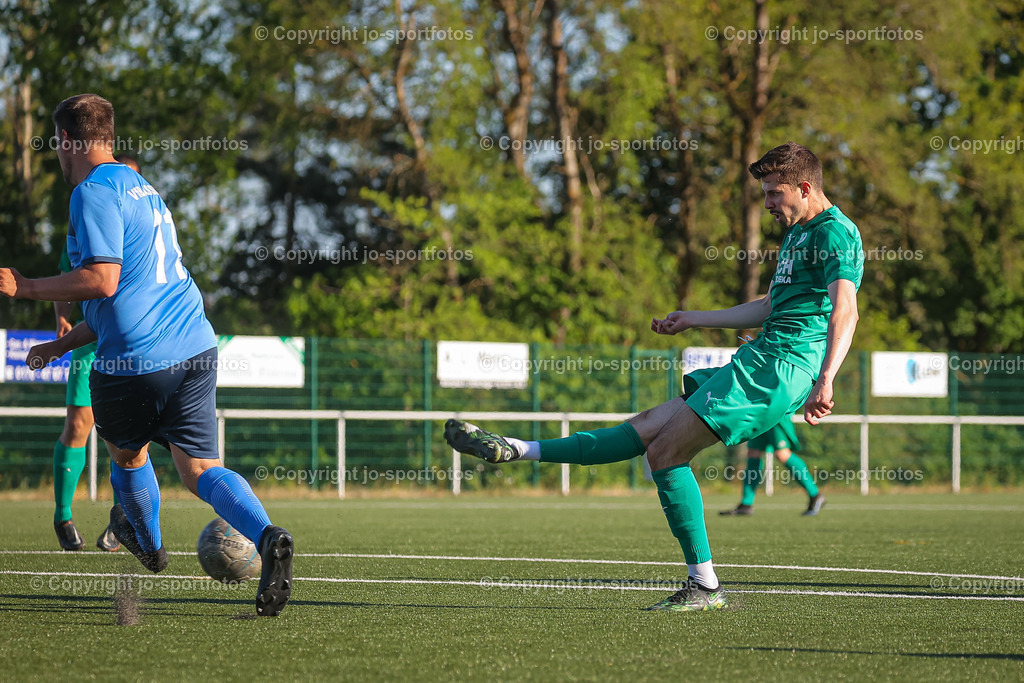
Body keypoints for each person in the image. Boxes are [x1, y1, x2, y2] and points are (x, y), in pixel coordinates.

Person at [444, 142, 863, 612]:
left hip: (780, 371)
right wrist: (695, 319)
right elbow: (769, 307)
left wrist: (827, 378)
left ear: (805, 188)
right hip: (761, 358)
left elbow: (846, 309)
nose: (767, 203)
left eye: (773, 193)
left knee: (665, 453)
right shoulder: (797, 233)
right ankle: (518, 449)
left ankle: (704, 587)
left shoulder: (835, 233)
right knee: (646, 427)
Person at [0, 95, 293, 617]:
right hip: (196, 345)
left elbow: (103, 281)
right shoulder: (145, 190)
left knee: (128, 455)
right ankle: (269, 536)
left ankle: (152, 550)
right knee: (202, 468)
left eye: (58, 147)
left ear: (69, 142)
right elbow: (129, 295)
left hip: (133, 361)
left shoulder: (90, 192)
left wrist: (25, 288)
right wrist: (61, 345)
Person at [51, 155, 140, 553]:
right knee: (79, 426)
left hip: (130, 345)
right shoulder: (89, 215)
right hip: (90, 343)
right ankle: (62, 514)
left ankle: (123, 519)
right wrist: (61, 321)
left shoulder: (144, 225)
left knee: (128, 437)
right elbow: (66, 274)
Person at [717, 413, 825, 516]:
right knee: (753, 453)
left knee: (782, 453)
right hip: (760, 412)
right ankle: (746, 504)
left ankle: (815, 495)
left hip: (776, 408)